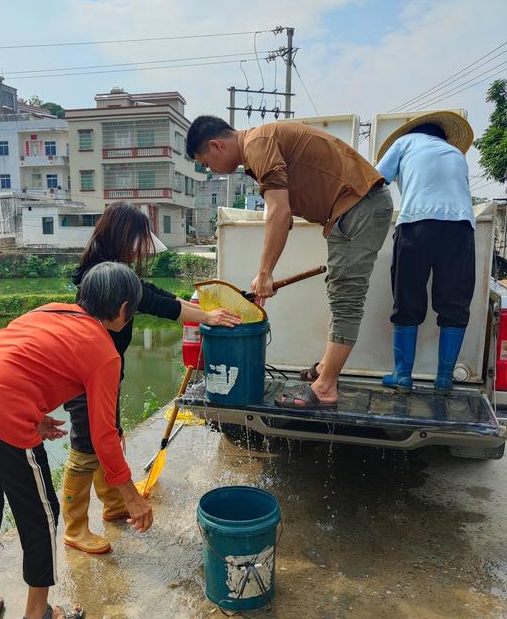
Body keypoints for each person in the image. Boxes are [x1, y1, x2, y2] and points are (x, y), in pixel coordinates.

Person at [0, 262, 152, 619]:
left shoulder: (50, 309)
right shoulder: (105, 352)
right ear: (122, 310)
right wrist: (132, 498)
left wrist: (34, 417)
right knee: (41, 514)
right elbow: (105, 437)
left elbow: (13, 360)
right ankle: (38, 617)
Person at [61, 203, 240, 555]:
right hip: (85, 373)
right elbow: (160, 305)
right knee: (85, 448)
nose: (140, 248)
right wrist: (208, 317)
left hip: (104, 371)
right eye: (137, 240)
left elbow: (156, 295)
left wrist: (206, 314)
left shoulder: (114, 269)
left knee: (106, 437)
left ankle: (113, 506)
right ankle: (75, 529)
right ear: (121, 236)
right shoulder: (102, 275)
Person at [186, 116, 393, 408]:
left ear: (215, 145)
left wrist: (265, 273)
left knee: (346, 297)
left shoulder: (258, 145)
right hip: (351, 210)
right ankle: (326, 371)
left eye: (206, 163)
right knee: (340, 292)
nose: (211, 169)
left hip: (360, 206)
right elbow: (283, 216)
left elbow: (279, 214)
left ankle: (324, 388)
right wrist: (266, 274)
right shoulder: (259, 147)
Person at [375, 111, 476, 393]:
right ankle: (444, 380)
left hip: (416, 225)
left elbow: (375, 180)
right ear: (443, 135)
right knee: (454, 303)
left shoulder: (404, 143)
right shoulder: (456, 154)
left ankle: (403, 375)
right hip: (460, 227)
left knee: (407, 298)